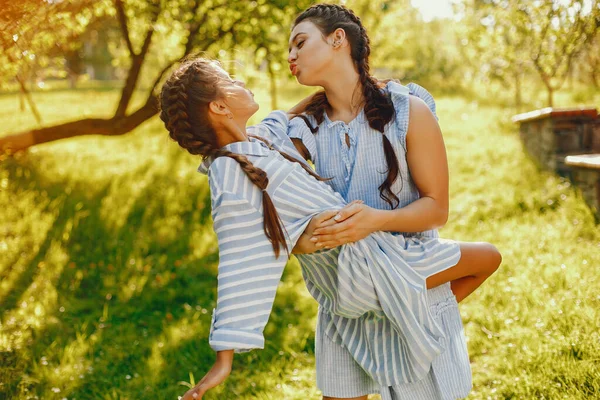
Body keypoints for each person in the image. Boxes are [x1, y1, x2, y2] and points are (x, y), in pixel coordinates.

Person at [158, 57, 501, 400]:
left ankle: (403, 312)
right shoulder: (228, 171)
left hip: (356, 273)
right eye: (229, 80)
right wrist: (224, 358)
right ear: (219, 105)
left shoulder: (261, 140)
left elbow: (299, 111)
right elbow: (238, 259)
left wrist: (362, 83)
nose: (240, 80)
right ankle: (409, 311)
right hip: (374, 269)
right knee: (488, 258)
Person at [285, 4, 502, 400]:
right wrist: (300, 241)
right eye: (289, 49)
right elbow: (282, 205)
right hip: (344, 297)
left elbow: (437, 208)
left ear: (338, 39)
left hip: (412, 269)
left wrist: (407, 297)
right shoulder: (302, 130)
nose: (291, 56)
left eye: (300, 42)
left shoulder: (408, 112)